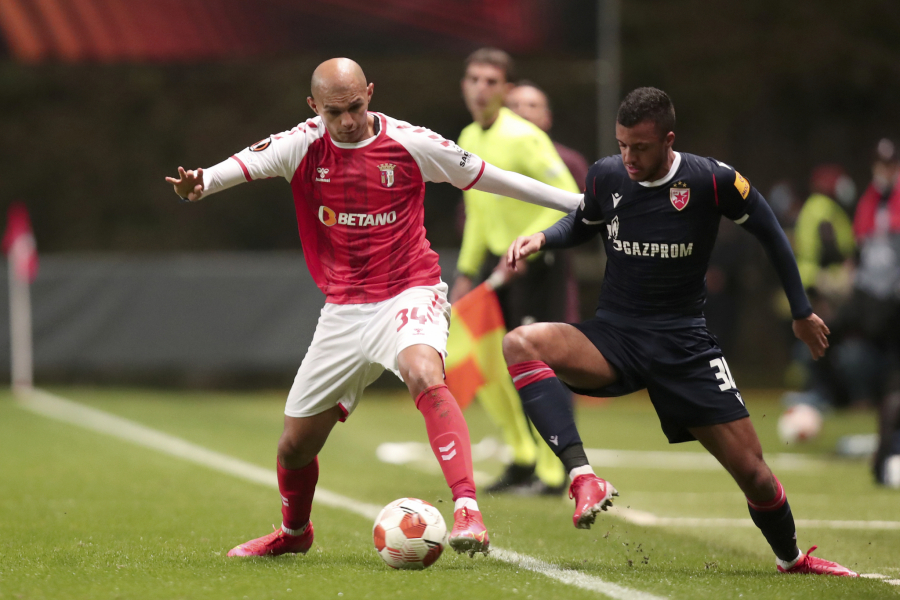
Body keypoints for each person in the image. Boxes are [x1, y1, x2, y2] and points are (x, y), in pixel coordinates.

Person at [165, 58, 583, 557]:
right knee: (294, 445)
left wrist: (580, 205)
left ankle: (468, 510)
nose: (347, 120)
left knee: (424, 372)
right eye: (333, 112)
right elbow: (246, 163)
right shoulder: (302, 144)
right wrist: (202, 184)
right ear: (313, 106)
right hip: (343, 310)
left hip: (410, 290)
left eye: (356, 107)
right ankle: (295, 535)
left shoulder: (410, 142)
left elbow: (493, 177)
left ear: (370, 93)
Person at [502, 87, 858, 576]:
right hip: (615, 337)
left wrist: (801, 311)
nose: (629, 157)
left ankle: (790, 558)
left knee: (754, 473)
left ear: (668, 140)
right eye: (622, 145)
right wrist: (543, 237)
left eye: (640, 147)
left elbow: (771, 232)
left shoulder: (712, 180)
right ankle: (583, 477)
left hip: (684, 346)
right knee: (521, 343)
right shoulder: (607, 174)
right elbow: (584, 222)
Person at [451, 48, 580, 495]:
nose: (480, 88)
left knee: (536, 364)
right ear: (464, 85)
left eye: (491, 81)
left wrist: (529, 243)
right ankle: (523, 457)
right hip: (496, 264)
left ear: (505, 90)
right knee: (489, 364)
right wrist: (466, 270)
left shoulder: (523, 136)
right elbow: (477, 211)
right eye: (474, 79)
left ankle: (556, 470)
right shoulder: (468, 136)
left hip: (535, 264)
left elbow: (568, 196)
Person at [848, 139, 900, 486]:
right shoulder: (869, 201)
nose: (885, 171)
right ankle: (885, 453)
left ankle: (886, 454)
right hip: (876, 307)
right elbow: (861, 251)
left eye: (890, 165)